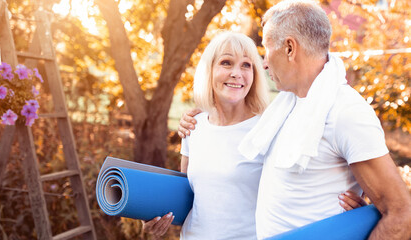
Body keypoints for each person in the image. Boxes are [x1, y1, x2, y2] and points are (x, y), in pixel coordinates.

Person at [178, 1, 411, 240]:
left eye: (267, 49)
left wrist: (361, 225)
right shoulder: (285, 109)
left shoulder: (345, 112)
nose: (264, 63)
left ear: (290, 48)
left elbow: (401, 214)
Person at [144, 31, 364, 239]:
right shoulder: (194, 127)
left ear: (254, 75)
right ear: (209, 70)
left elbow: (307, 184)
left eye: (246, 65)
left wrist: (356, 213)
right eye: (226, 62)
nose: (236, 73)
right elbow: (189, 198)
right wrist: (156, 217)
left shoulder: (270, 127)